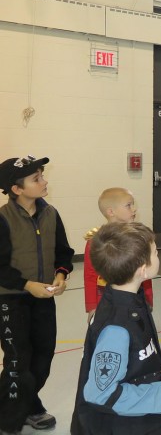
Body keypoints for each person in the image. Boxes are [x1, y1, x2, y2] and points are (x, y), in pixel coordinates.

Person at [70, 222, 161, 434]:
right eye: (156, 252)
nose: (158, 256)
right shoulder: (116, 328)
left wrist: (158, 378)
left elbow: (131, 362)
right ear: (143, 269)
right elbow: (101, 394)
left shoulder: (130, 300)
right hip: (125, 426)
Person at [0, 155, 74, 434]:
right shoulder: (3, 219)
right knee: (17, 361)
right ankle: (9, 420)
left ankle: (28, 405)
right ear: (17, 189)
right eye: (36, 178)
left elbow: (64, 252)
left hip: (43, 298)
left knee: (42, 358)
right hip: (11, 299)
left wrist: (61, 275)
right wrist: (26, 284)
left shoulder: (51, 213)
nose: (44, 181)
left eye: (42, 175)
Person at [84, 188, 153, 324]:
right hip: (106, 301)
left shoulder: (137, 237)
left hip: (136, 300)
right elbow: (90, 275)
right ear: (111, 212)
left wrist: (148, 300)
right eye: (128, 205)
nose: (134, 209)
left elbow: (145, 273)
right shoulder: (96, 241)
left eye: (133, 204)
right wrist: (92, 306)